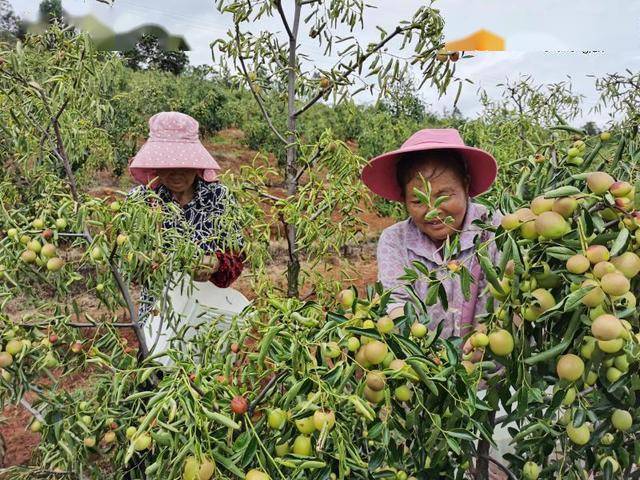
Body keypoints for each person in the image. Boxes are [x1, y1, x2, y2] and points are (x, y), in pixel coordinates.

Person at [362, 128, 507, 479]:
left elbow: (501, 296)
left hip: (486, 375)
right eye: (418, 201)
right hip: (422, 378)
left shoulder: (494, 228)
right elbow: (396, 302)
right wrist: (418, 351)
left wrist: (487, 335)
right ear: (402, 200)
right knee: (431, 456)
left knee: (485, 451)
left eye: (445, 195)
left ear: (467, 186)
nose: (433, 211)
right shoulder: (394, 240)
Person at [128, 111, 245, 324]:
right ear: (155, 165)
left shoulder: (218, 197)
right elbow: (128, 264)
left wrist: (217, 265)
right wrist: (144, 262)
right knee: (156, 355)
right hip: (158, 311)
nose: (176, 173)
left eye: (184, 164)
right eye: (167, 165)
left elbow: (237, 256)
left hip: (207, 311)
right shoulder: (142, 201)